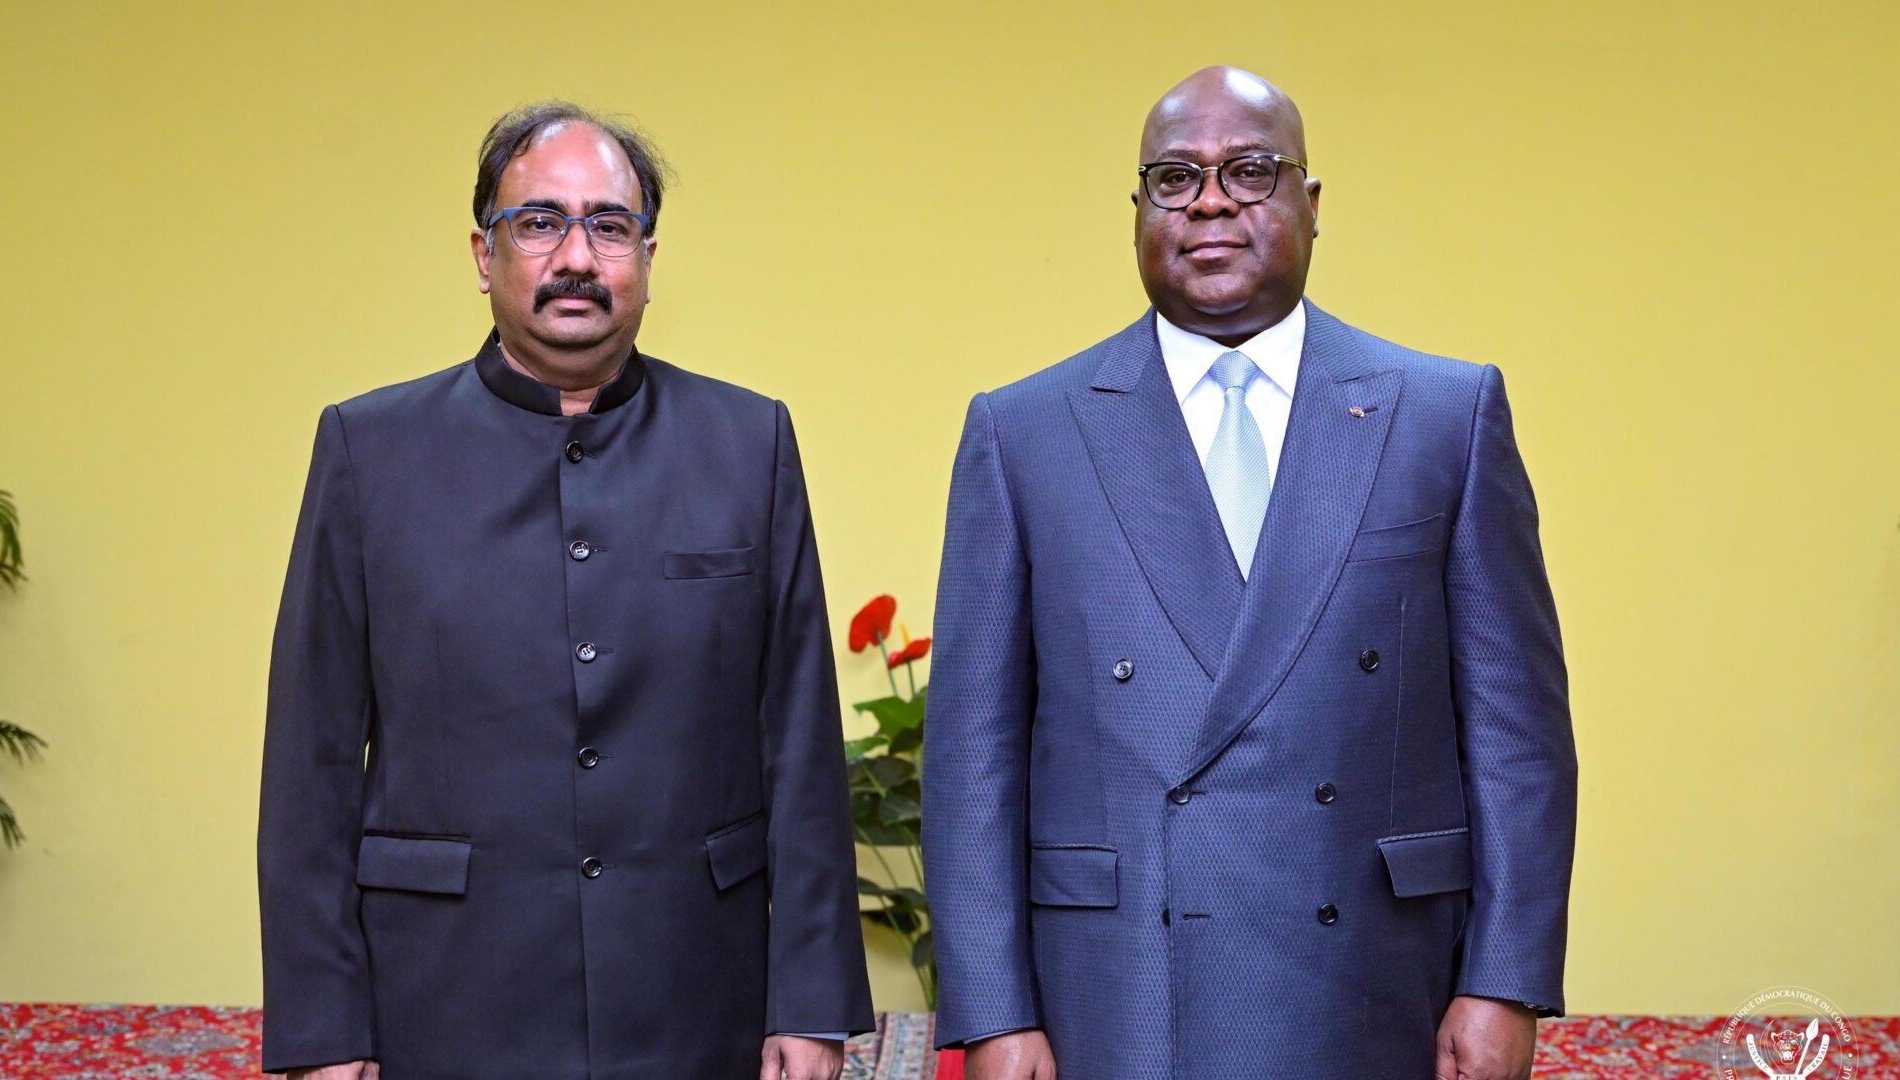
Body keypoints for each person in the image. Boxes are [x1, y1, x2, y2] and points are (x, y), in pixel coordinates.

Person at [925, 67, 1577, 1080]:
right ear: (1137, 213)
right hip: (1120, 986)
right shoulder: (1024, 432)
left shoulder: (1444, 416)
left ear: (1310, 204)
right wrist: (994, 1015)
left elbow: (1517, 736)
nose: (1211, 201)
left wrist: (1504, 981)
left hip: (1376, 984)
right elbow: (973, 754)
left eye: (1249, 171)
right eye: (1175, 178)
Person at [257, 101, 871, 1080]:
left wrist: (812, 1002)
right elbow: (311, 760)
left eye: (609, 225)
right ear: (483, 253)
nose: (577, 256)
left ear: (648, 258)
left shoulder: (746, 443)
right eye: (540, 222)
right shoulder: (370, 452)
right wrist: (324, 1029)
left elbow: (798, 737)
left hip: (697, 1000)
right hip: (442, 1001)